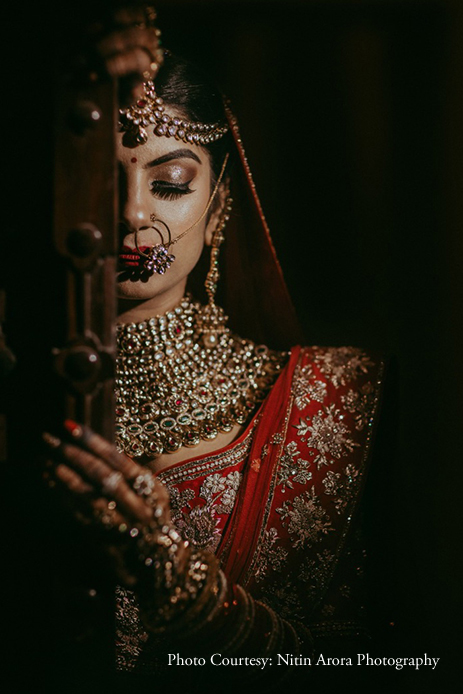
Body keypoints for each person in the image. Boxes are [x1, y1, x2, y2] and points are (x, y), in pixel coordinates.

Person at [43, 5, 389, 689]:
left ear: (219, 199)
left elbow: (368, 667)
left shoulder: (337, 401)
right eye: (99, 179)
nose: (133, 215)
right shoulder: (22, 396)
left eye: (170, 183)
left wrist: (170, 576)